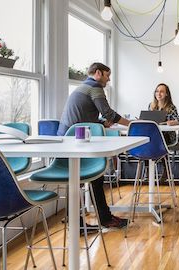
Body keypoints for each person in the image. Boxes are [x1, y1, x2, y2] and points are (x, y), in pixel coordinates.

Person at [57, 62, 130, 230]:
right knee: (95, 175)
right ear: (98, 73)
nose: (108, 79)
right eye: (107, 75)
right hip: (74, 140)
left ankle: (78, 220)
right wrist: (131, 124)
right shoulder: (94, 86)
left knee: (89, 177)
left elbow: (85, 116)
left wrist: (101, 123)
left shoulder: (83, 87)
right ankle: (101, 219)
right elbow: (108, 113)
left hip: (67, 139)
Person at [148, 83, 179, 181]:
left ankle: (165, 170)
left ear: (166, 94)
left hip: (167, 136)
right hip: (154, 135)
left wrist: (173, 122)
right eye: (157, 91)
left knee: (158, 141)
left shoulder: (171, 107)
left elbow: (178, 120)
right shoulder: (151, 106)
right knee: (146, 141)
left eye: (162, 91)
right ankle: (148, 170)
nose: (159, 93)